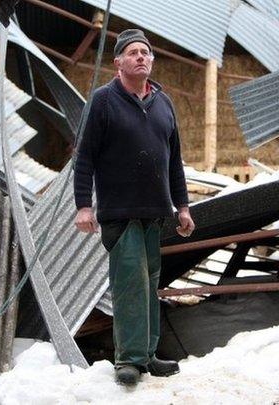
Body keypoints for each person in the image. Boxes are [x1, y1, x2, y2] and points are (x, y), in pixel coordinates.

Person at [74, 29, 195, 386]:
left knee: (149, 283)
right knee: (129, 284)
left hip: (155, 212)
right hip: (120, 213)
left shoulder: (164, 103)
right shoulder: (103, 100)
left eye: (145, 52)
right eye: (133, 52)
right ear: (118, 62)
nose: (141, 57)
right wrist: (84, 206)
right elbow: (85, 157)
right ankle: (128, 359)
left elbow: (174, 162)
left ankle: (148, 354)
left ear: (151, 61)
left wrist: (183, 206)